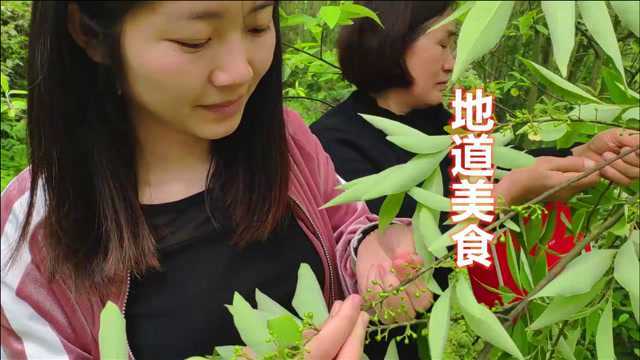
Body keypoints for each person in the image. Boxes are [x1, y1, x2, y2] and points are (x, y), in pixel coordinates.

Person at [0, 1, 431, 359]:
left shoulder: (286, 140)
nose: (239, 71)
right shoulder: (33, 237)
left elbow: (344, 226)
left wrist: (370, 247)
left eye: (258, 26)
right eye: (195, 40)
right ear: (91, 33)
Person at [311, 0, 639, 357]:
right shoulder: (329, 146)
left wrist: (585, 154)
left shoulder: (450, 123)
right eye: (443, 43)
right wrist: (506, 195)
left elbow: (506, 168)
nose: (453, 62)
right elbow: (420, 264)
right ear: (392, 39)